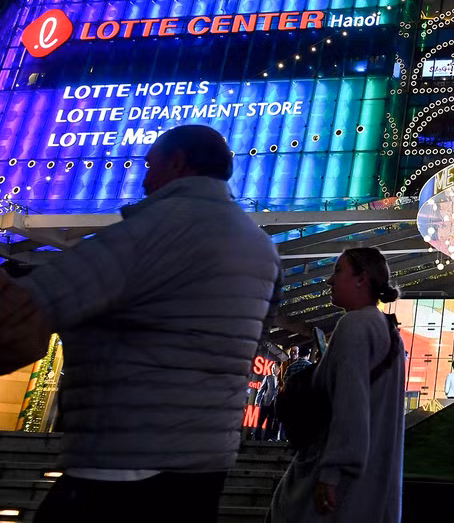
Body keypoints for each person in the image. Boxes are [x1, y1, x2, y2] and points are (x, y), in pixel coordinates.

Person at [0, 125, 281, 523]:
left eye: (150, 166)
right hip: (206, 457)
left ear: (177, 163)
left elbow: (29, 309)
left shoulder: (152, 231)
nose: (145, 181)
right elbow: (256, 337)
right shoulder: (261, 247)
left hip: (122, 454)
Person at [269, 248, 406, 522]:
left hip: (340, 489)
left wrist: (330, 474)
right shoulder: (390, 333)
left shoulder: (353, 326)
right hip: (375, 489)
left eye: (338, 271)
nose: (330, 281)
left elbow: (349, 404)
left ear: (361, 279)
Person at [255, 368, 280, 441]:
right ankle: (257, 437)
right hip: (266, 401)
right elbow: (261, 389)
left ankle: (267, 438)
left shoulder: (281, 378)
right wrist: (257, 400)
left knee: (270, 421)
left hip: (275, 403)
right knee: (261, 421)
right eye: (273, 367)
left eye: (275, 367)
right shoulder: (268, 377)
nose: (274, 369)